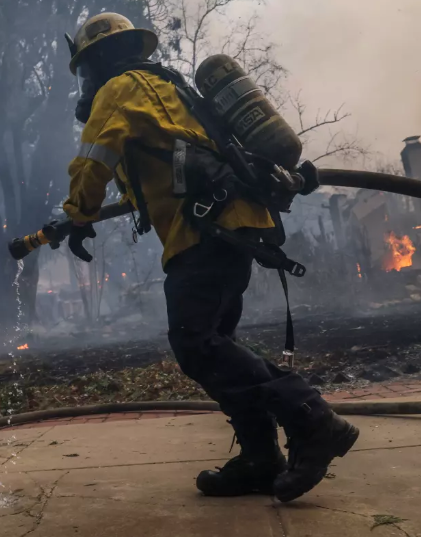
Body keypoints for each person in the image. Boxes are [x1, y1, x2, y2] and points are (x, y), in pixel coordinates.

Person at [61, 12, 359, 503]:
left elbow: (93, 159)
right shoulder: (170, 89)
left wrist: (78, 214)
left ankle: (314, 420)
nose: (86, 82)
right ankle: (261, 457)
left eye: (85, 69)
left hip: (204, 230)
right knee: (217, 343)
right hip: (229, 223)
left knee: (197, 343)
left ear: (96, 61)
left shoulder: (119, 90)